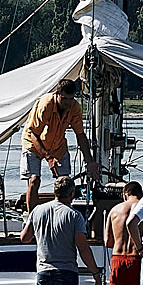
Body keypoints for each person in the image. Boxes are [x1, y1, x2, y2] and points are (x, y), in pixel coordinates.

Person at [20, 77, 95, 211]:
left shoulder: (74, 107)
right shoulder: (46, 104)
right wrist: (48, 158)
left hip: (57, 145)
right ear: (57, 94)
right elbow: (34, 134)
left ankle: (62, 213)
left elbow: (80, 135)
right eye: (64, 99)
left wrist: (89, 161)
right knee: (34, 180)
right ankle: (32, 217)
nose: (67, 103)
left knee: (65, 183)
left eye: (71, 99)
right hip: (33, 143)